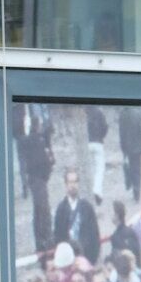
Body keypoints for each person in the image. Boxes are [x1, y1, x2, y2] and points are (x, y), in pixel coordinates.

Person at [15, 103, 56, 251]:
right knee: (42, 209)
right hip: (38, 178)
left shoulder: (30, 141)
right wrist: (48, 170)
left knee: (39, 209)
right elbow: (44, 161)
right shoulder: (36, 141)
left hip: (36, 178)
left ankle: (42, 239)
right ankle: (45, 239)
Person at [53, 168, 102, 264]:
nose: (73, 185)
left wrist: (91, 259)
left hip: (86, 258)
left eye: (75, 182)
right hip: (68, 259)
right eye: (70, 182)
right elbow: (58, 236)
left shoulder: (87, 207)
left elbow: (94, 234)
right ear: (66, 184)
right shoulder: (61, 209)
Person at [118, 107, 141, 201]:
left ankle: (130, 184)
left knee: (129, 167)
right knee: (137, 169)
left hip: (127, 147)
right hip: (137, 146)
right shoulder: (138, 113)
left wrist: (123, 147)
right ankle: (137, 192)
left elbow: (121, 133)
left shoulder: (122, 114)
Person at [85, 106, 109, 205]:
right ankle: (97, 191)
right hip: (98, 142)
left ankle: (89, 191)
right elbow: (105, 127)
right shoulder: (99, 112)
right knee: (99, 169)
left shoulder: (84, 111)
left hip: (87, 142)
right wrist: (101, 136)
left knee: (89, 168)